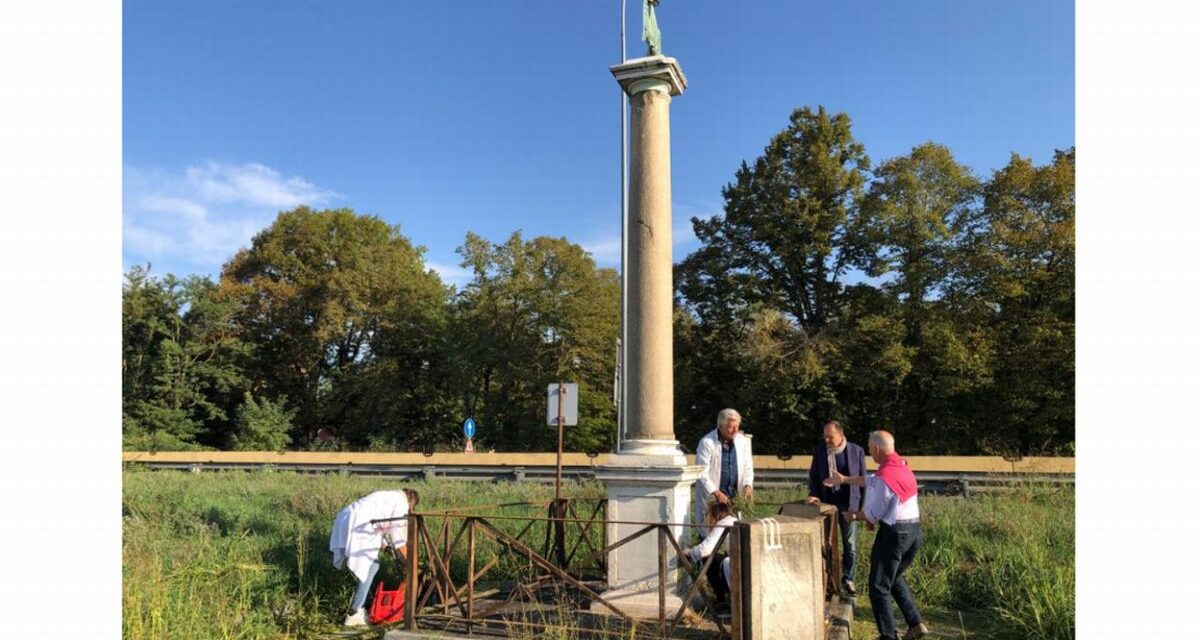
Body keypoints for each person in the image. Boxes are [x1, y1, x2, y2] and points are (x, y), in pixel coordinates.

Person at [826, 431, 929, 640]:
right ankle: (916, 624)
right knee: (895, 578)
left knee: (878, 586)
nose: (870, 453)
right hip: (914, 531)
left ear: (876, 449)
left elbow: (873, 513)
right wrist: (845, 479)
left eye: (871, 449)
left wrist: (852, 515)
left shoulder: (886, 476)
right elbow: (871, 480)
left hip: (895, 533)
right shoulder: (900, 466)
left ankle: (888, 636)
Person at [329, 488, 421, 627]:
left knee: (368, 566)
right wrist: (411, 563)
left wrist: (387, 548)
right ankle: (355, 613)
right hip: (358, 525)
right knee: (371, 566)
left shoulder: (388, 497)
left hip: (348, 518)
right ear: (411, 502)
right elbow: (398, 537)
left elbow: (378, 527)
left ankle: (360, 606)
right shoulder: (401, 503)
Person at [805, 420, 866, 596]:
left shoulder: (856, 451)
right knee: (825, 543)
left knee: (849, 543)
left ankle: (848, 579)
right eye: (824, 437)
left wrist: (862, 508)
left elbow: (863, 480)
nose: (827, 441)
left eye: (830, 437)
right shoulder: (819, 451)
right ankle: (828, 579)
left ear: (840, 435)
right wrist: (814, 493)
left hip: (849, 504)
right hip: (826, 504)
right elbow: (814, 476)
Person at [694, 408, 754, 534]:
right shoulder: (707, 442)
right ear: (720, 426)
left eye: (737, 426)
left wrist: (748, 485)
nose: (735, 430)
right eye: (731, 427)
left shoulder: (742, 442)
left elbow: (748, 467)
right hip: (714, 496)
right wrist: (716, 493)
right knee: (711, 533)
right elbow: (702, 472)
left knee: (735, 532)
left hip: (734, 495)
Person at [683, 500, 739, 612]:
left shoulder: (723, 523)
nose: (708, 520)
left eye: (708, 515)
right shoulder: (734, 520)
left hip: (738, 567)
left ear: (716, 514)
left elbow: (705, 549)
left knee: (708, 559)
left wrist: (690, 552)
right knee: (717, 558)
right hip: (744, 563)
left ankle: (722, 603)